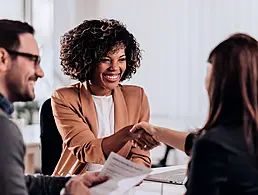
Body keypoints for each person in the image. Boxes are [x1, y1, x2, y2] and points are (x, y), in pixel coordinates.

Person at [131, 33, 258, 194]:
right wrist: (156, 132)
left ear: (220, 82)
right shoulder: (243, 137)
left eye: (209, 71)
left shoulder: (213, 145)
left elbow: (209, 146)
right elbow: (196, 141)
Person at [0, 19, 108, 195]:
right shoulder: (4, 129)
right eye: (33, 60)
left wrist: (69, 181)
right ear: (3, 59)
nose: (40, 72)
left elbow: (16, 181)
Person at [51, 19, 159, 176]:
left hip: (121, 184)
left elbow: (140, 155)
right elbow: (87, 150)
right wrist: (127, 133)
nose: (115, 68)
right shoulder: (64, 98)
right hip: (78, 183)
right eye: (105, 59)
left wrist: (133, 177)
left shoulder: (137, 97)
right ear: (87, 61)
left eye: (121, 59)